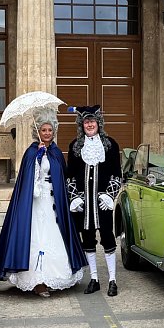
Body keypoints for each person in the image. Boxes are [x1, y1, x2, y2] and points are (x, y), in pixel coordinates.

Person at [0, 109, 88, 297]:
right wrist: (37, 159)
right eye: (44, 130)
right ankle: (37, 281)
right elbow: (26, 180)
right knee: (37, 235)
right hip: (34, 202)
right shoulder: (31, 152)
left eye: (50, 130)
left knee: (55, 234)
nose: (47, 133)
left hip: (53, 201)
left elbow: (63, 176)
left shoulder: (57, 152)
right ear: (38, 132)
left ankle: (56, 276)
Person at [66, 105, 123, 296]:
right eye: (86, 122)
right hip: (84, 205)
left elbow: (117, 174)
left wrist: (110, 194)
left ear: (99, 123)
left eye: (92, 121)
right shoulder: (75, 146)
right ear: (82, 125)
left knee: (108, 239)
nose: (90, 124)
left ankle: (113, 281)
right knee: (88, 240)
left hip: (102, 204)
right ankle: (94, 279)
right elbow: (70, 176)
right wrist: (74, 197)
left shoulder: (110, 145)